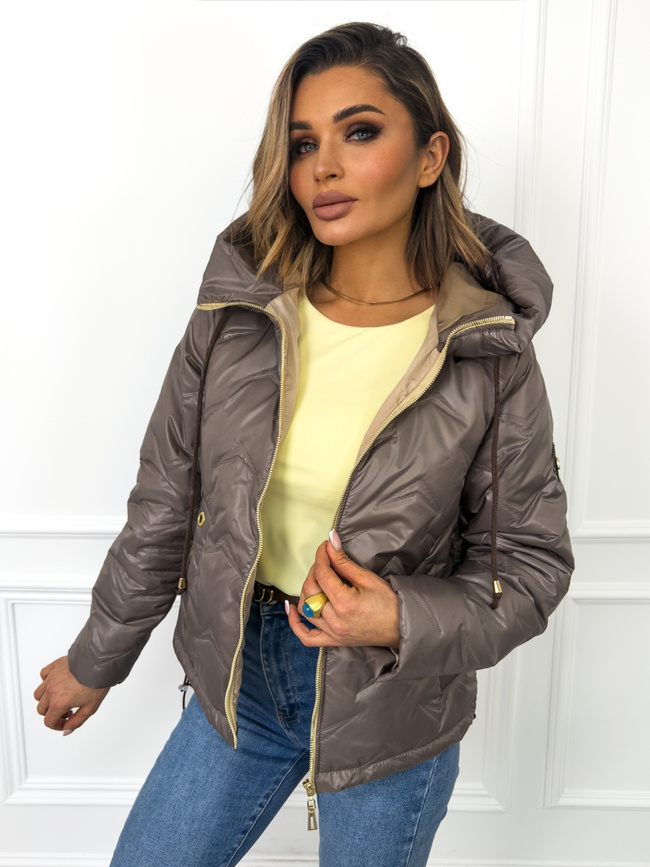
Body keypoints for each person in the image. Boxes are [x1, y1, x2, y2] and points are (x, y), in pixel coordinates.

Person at [33, 21, 574, 867]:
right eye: (303, 143)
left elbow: (531, 566)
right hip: (242, 677)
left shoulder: (485, 351)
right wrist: (96, 657)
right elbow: (165, 502)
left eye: (359, 132)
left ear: (429, 157)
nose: (323, 166)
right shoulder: (238, 317)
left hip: (389, 707)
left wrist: (398, 615)